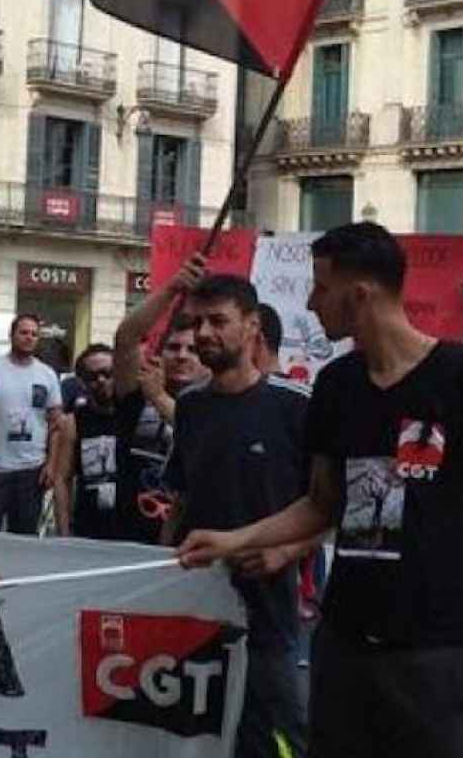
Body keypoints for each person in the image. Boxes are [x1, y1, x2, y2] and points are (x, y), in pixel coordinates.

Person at [178, 223, 463, 755]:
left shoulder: (462, 377)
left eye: (320, 287)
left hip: (441, 650)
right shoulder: (336, 384)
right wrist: (234, 540)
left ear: (359, 294)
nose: (311, 302)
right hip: (345, 646)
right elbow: (321, 504)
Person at [161, 275, 312, 758]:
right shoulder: (189, 407)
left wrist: (285, 551)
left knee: (287, 728)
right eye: (196, 322)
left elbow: (332, 506)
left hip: (268, 609)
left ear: (251, 328)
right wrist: (163, 565)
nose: (204, 333)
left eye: (218, 321)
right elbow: (181, 500)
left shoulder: (294, 408)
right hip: (196, 602)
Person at [114, 260, 210, 542]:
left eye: (193, 349)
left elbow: (197, 431)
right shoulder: (136, 392)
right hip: (130, 539)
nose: (182, 355)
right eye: (173, 347)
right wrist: (172, 288)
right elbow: (126, 337)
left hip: (189, 545)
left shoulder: (216, 402)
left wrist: (158, 397)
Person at [0, 314, 65, 533]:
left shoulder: (47, 375)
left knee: (24, 536)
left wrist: (51, 464)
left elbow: (56, 424)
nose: (29, 338)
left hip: (31, 469)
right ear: (11, 335)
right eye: (24, 332)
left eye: (34, 334)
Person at [59, 344, 124, 540]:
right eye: (92, 376)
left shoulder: (134, 415)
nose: (101, 380)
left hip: (132, 526)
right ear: (83, 382)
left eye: (107, 373)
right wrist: (64, 531)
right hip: (88, 527)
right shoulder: (74, 421)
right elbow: (62, 478)